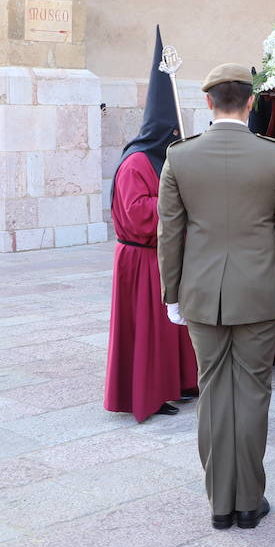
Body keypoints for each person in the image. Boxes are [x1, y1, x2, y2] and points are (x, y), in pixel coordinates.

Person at [157, 64, 275, 531]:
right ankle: (249, 500)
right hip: (260, 292)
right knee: (252, 394)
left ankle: (221, 503)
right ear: (251, 103)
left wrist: (171, 292)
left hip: (201, 292)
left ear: (208, 103)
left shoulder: (180, 157)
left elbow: (170, 234)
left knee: (213, 393)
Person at [104, 27, 198, 422]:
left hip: (162, 257)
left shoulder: (163, 160)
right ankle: (150, 393)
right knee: (149, 331)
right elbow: (139, 214)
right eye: (173, 133)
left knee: (170, 326)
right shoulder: (137, 163)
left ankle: (178, 381)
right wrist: (178, 202)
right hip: (142, 260)